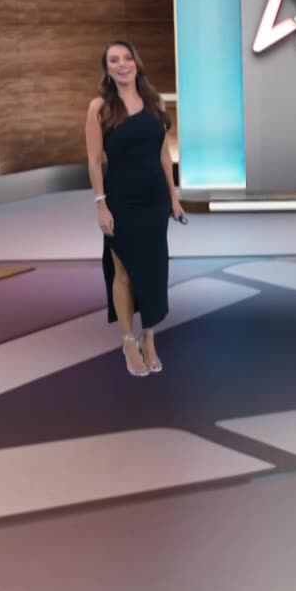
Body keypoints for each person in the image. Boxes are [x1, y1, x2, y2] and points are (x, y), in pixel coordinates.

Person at [86, 40, 184, 375]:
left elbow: (164, 153)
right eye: (114, 60)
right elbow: (94, 161)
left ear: (136, 63)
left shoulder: (155, 102)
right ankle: (129, 342)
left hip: (155, 199)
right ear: (107, 68)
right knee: (124, 270)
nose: (122, 64)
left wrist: (173, 196)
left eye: (127, 57)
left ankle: (149, 336)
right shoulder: (99, 107)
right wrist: (101, 205)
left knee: (153, 270)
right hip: (121, 200)